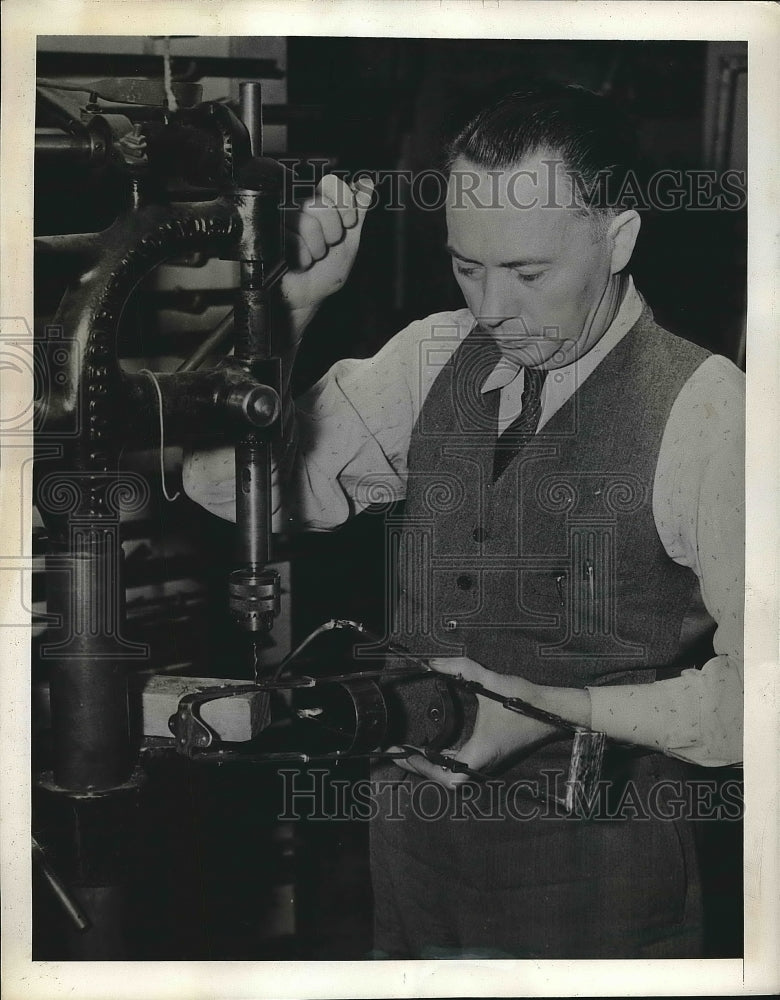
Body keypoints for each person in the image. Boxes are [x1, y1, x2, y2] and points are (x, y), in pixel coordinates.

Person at [184, 84, 744, 959]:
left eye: (527, 274)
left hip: (596, 908)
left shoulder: (711, 411)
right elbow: (223, 485)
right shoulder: (435, 355)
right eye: (466, 267)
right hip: (412, 878)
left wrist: (559, 711)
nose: (490, 309)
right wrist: (285, 306)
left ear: (619, 238)